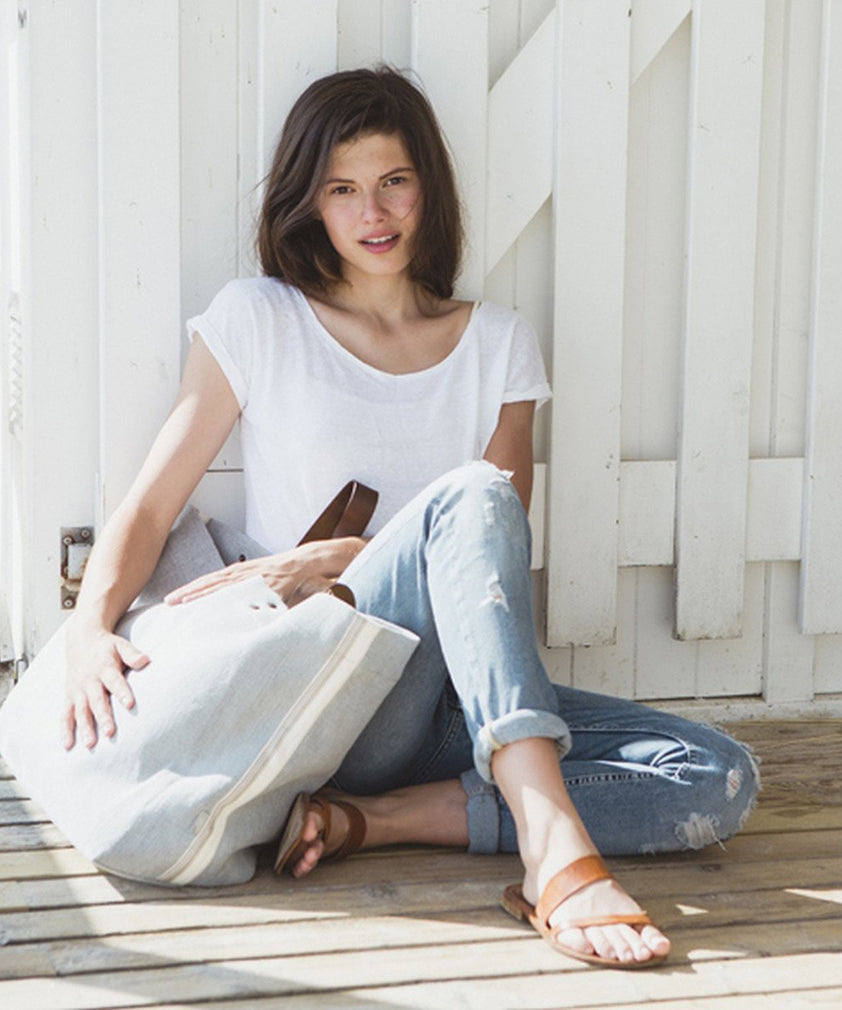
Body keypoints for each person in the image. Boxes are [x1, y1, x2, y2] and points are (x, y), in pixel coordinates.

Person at [63, 66, 758, 970]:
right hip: (320, 685)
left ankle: (376, 820)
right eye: (341, 190)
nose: (373, 213)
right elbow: (153, 503)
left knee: (717, 777)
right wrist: (89, 628)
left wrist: (336, 554)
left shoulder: (499, 343)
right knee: (472, 492)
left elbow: (492, 558)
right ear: (309, 203)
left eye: (394, 180)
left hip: (442, 707)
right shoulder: (260, 318)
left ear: (428, 184)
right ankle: (552, 851)